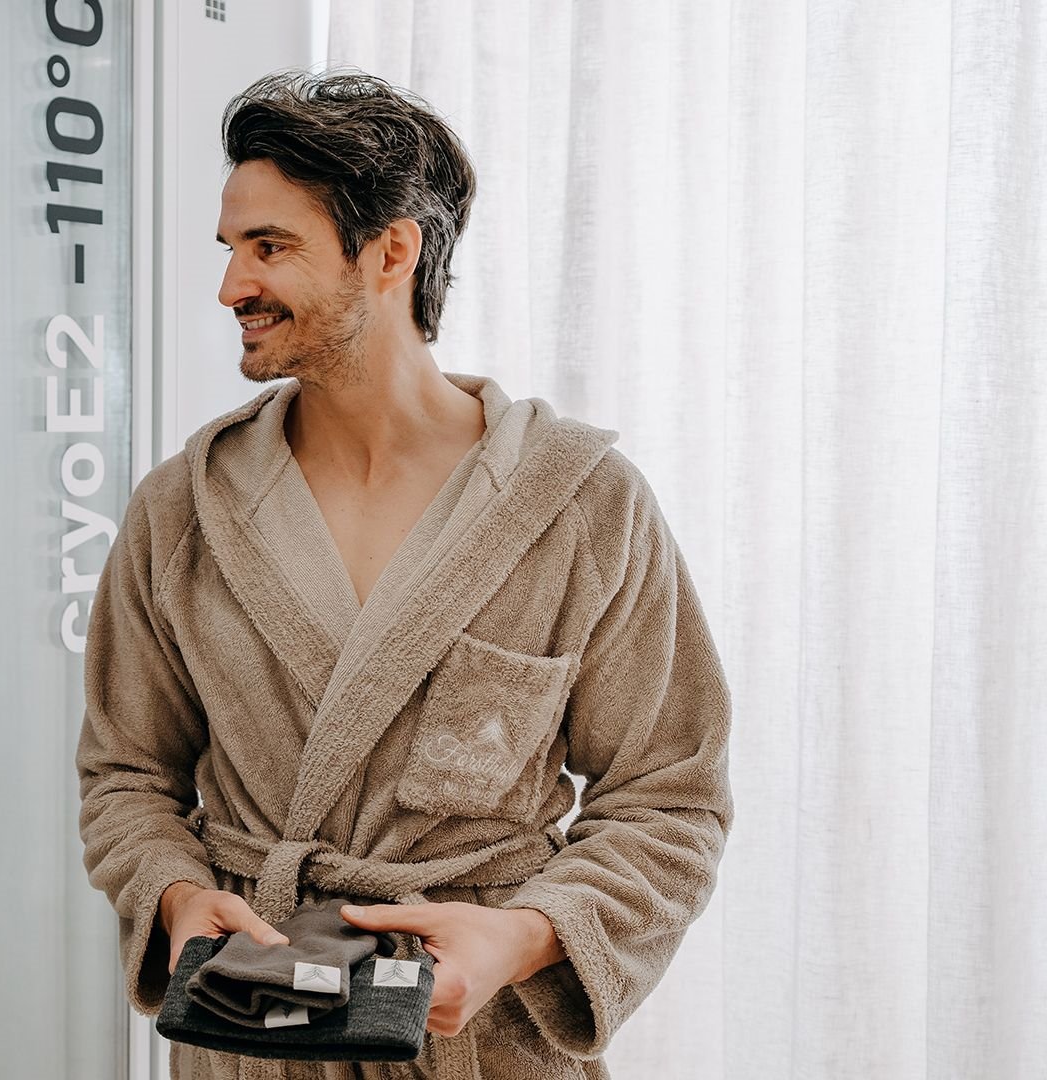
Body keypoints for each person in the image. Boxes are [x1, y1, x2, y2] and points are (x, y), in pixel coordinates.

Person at [77, 71, 732, 1080]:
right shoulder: (185, 509)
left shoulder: (580, 505)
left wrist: (520, 937)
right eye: (231, 249)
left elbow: (670, 797)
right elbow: (126, 774)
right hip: (254, 1038)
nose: (230, 287)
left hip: (480, 1044)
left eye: (270, 247)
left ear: (390, 252)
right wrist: (174, 894)